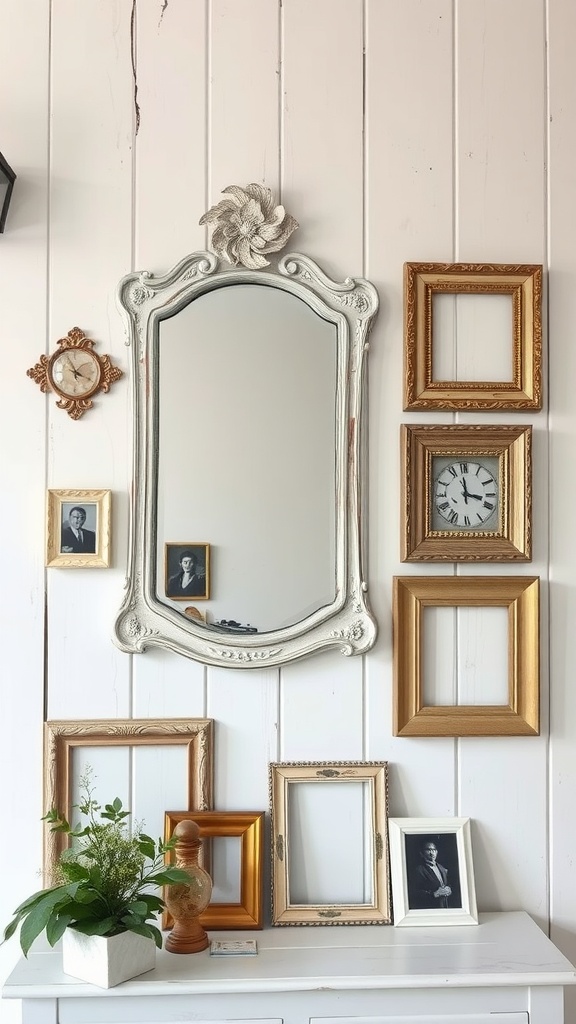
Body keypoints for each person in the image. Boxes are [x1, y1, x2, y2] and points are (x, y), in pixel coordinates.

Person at [408, 840, 452, 910]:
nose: (432, 853)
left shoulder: (442, 868)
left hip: (445, 906)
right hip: (430, 907)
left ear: (437, 852)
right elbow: (414, 892)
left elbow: (448, 884)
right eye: (428, 850)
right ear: (421, 853)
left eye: (434, 850)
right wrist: (434, 894)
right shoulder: (419, 870)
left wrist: (449, 889)